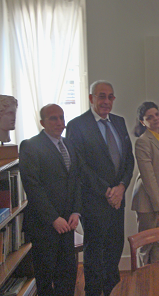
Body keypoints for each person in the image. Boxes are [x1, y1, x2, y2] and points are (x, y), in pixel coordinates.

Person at [66, 80, 134, 296]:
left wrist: (122, 187)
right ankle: (94, 292)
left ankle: (113, 291)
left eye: (110, 96)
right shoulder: (77, 125)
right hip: (94, 200)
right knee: (95, 253)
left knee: (115, 249)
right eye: (101, 96)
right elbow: (79, 165)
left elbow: (128, 160)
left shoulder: (120, 122)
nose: (106, 101)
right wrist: (107, 190)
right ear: (91, 98)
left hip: (118, 200)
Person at [19, 104, 81, 296]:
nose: (59, 122)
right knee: (46, 279)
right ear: (42, 122)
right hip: (44, 226)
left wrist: (76, 211)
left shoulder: (69, 144)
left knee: (68, 276)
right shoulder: (30, 146)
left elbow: (77, 180)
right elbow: (33, 187)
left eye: (61, 117)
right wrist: (54, 218)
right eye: (53, 118)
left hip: (68, 223)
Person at [131, 101, 159, 267]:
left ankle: (158, 282)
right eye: (150, 117)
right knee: (146, 246)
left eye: (157, 114)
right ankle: (144, 285)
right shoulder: (143, 141)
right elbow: (148, 176)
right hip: (148, 203)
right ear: (143, 122)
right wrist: (158, 205)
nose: (155, 118)